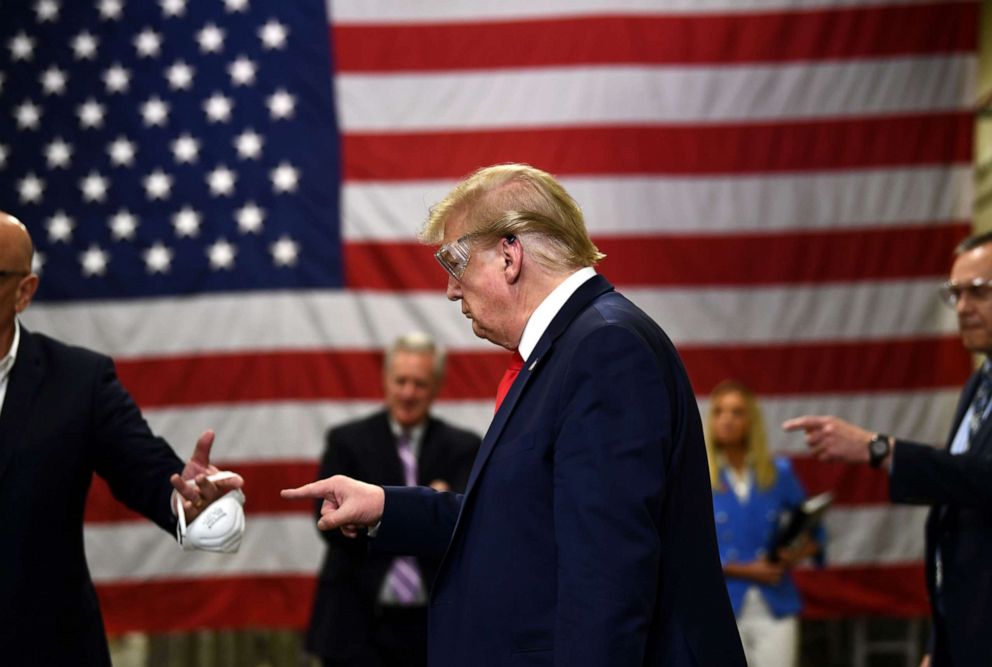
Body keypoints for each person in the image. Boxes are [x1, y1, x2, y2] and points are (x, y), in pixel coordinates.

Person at [284, 163, 746, 666]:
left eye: (455, 261)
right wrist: (387, 508)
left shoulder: (605, 350)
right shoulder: (572, 347)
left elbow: (607, 576)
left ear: (509, 255)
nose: (451, 290)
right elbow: (526, 519)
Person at [0, 211, 245, 666]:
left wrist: (188, 501)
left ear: (24, 292)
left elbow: (146, 470)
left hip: (44, 648)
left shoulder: (77, 381)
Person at [783, 230, 992, 667]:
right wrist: (941, 642)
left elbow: (982, 478)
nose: (963, 308)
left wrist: (879, 449)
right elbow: (957, 514)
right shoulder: (979, 385)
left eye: (979, 291)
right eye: (955, 293)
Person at [307, 331, 480, 667]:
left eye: (419, 383)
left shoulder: (465, 447)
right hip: (354, 625)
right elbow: (325, 521)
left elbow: (468, 527)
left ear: (437, 386)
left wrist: (380, 517)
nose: (408, 393)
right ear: (385, 380)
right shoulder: (347, 441)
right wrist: (427, 510)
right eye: (400, 380)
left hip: (434, 626)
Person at [705, 380, 823, 667]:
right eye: (720, 412)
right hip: (719, 605)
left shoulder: (778, 473)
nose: (727, 420)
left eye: (737, 412)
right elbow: (683, 548)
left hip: (774, 605)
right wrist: (741, 569)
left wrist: (793, 554)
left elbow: (813, 529)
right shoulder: (697, 475)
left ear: (751, 420)